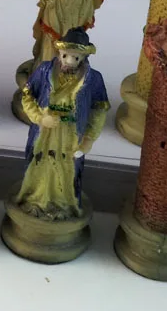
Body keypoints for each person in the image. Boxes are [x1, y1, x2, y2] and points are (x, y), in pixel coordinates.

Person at [16, 28, 109, 219]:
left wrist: (89, 138)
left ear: (83, 57)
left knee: (66, 168)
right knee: (40, 163)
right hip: (45, 132)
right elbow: (27, 96)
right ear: (59, 52)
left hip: (71, 134)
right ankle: (36, 199)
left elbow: (99, 109)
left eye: (75, 58)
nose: (69, 61)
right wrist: (40, 118)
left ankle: (64, 204)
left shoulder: (93, 79)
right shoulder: (44, 71)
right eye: (65, 55)